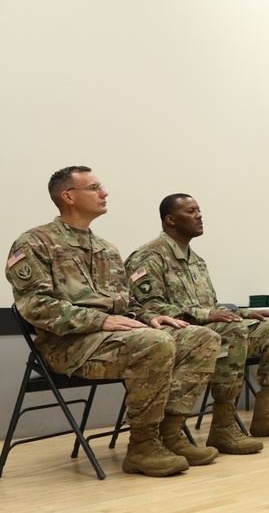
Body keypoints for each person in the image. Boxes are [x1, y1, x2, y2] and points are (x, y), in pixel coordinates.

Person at [5, 166, 221, 476]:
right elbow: (37, 307)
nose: (104, 193)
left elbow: (126, 303)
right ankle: (142, 447)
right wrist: (100, 321)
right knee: (154, 343)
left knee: (202, 338)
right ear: (68, 196)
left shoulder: (106, 249)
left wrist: (149, 316)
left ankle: (169, 434)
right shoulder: (34, 243)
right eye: (94, 188)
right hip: (67, 347)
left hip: (113, 340)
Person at [125, 193, 269, 455]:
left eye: (199, 210)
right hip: (177, 336)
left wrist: (244, 314)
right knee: (231, 333)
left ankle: (265, 415)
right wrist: (205, 315)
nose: (199, 216)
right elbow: (148, 308)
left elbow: (211, 306)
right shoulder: (148, 257)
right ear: (171, 220)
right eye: (191, 211)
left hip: (208, 330)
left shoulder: (196, 260)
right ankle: (222, 427)